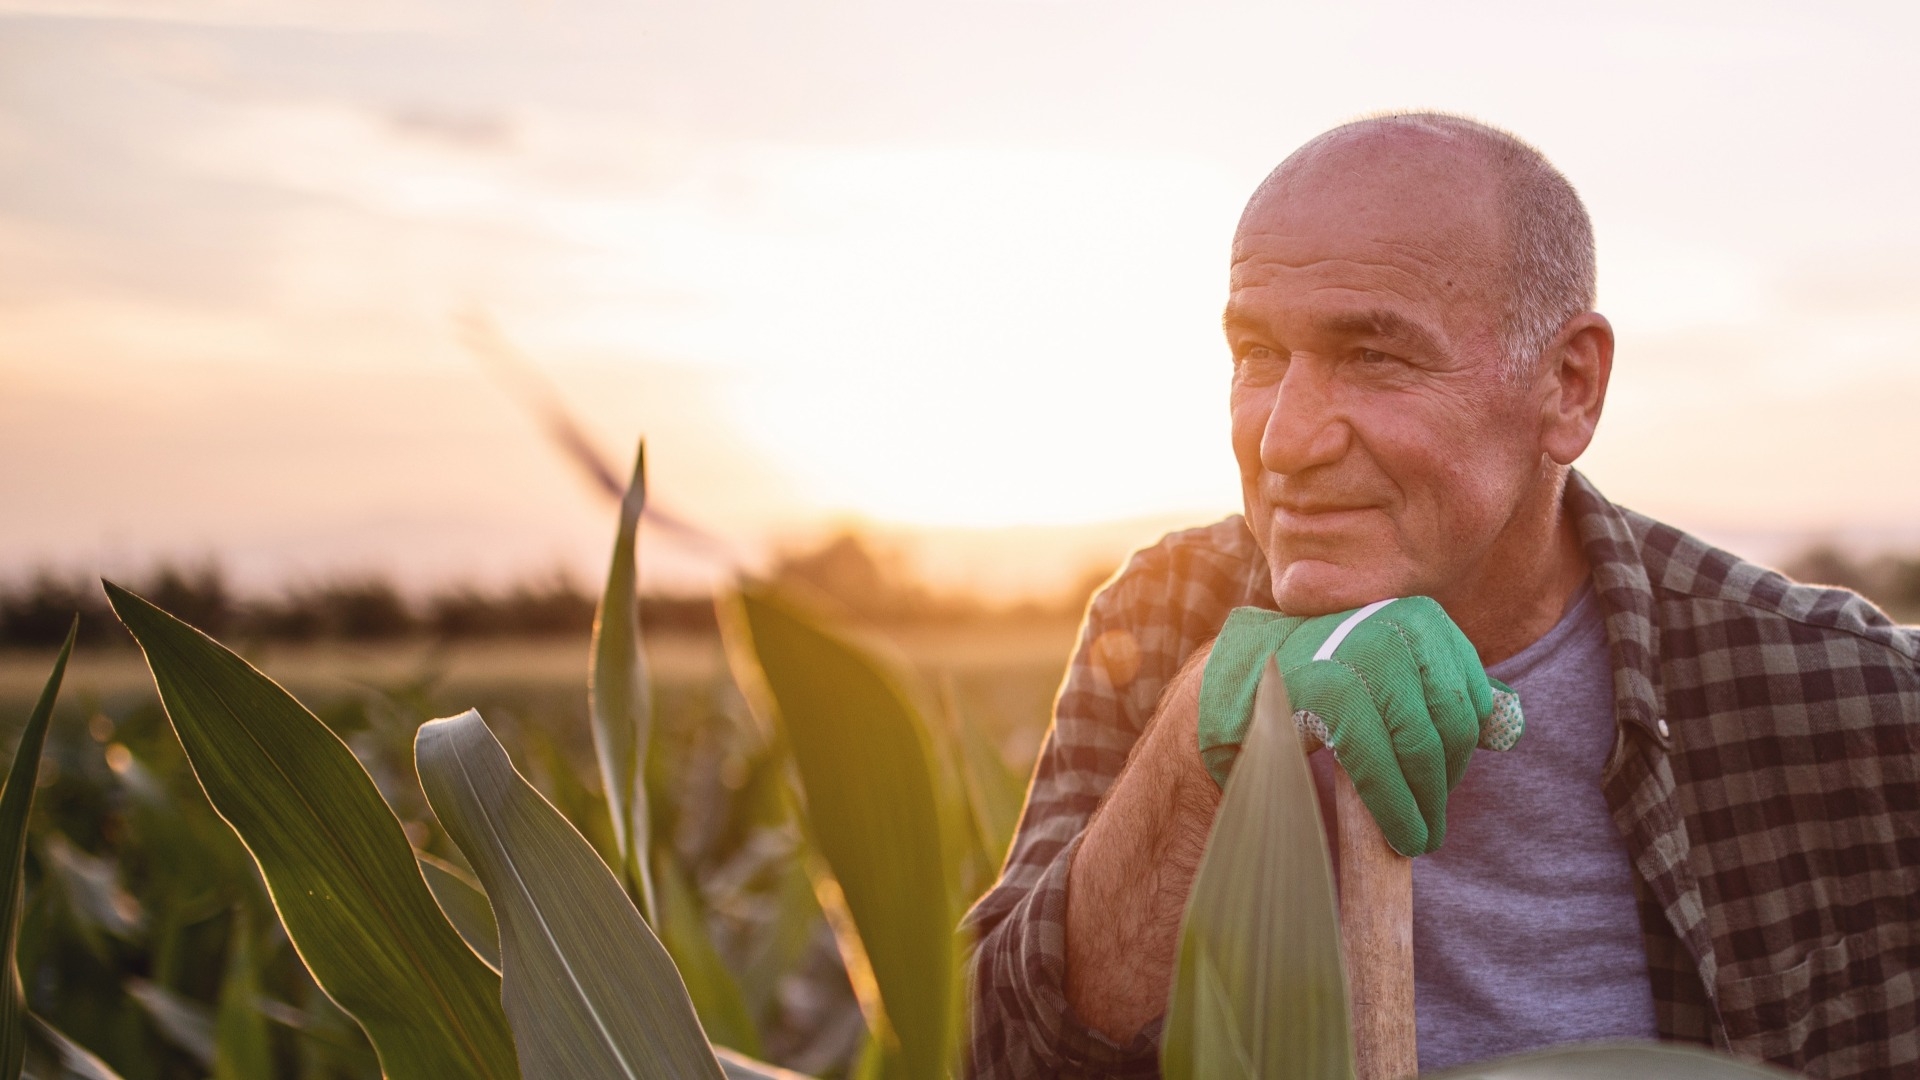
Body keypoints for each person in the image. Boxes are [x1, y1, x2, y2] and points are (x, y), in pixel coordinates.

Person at [960, 112, 1920, 1080]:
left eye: (1372, 356)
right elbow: (984, 1052)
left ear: (1569, 386)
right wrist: (1198, 752)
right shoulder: (1163, 619)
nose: (1284, 441)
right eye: (1257, 354)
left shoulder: (1849, 698)